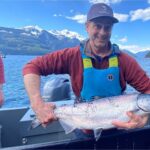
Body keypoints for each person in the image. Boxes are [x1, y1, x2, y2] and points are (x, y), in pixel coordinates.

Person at [23, 3, 150, 139]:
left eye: (107, 27)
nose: (102, 32)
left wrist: (145, 116)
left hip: (121, 131)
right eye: (97, 26)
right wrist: (38, 104)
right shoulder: (71, 56)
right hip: (84, 131)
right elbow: (32, 67)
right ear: (87, 27)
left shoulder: (125, 60)